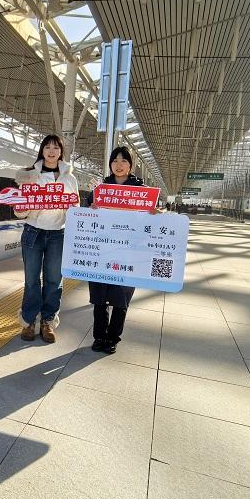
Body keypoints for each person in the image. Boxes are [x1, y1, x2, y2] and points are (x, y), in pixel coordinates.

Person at [14, 134, 79, 344]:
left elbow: (75, 207)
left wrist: (70, 209)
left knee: (54, 280)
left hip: (58, 233)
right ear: (42, 151)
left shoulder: (70, 178)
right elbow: (19, 210)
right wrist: (23, 207)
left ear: (61, 152)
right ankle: (29, 321)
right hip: (33, 231)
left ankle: (48, 322)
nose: (51, 151)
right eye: (47, 147)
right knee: (31, 280)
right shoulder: (29, 175)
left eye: (56, 147)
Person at [88, 146, 152, 354]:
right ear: (110, 164)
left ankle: (113, 337)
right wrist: (92, 208)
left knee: (121, 296)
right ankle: (99, 336)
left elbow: (150, 218)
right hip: (102, 249)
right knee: (99, 295)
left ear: (130, 165)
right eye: (115, 160)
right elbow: (88, 215)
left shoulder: (142, 191)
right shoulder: (101, 189)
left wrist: (154, 213)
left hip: (129, 251)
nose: (119, 164)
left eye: (124, 160)